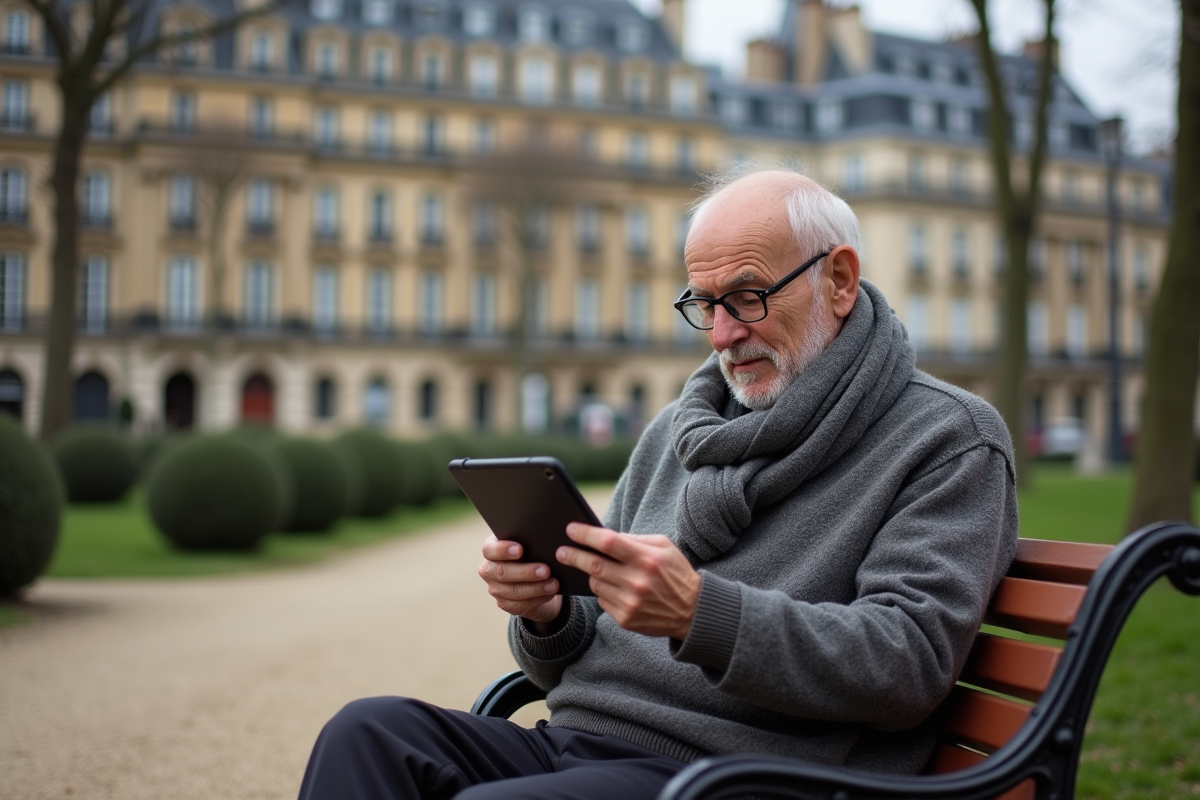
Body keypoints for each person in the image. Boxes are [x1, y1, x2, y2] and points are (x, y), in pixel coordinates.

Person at [297, 168, 1019, 800]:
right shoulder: (684, 425)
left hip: (744, 775)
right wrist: (546, 614)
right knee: (367, 733)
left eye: (746, 296)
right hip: (583, 743)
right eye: (703, 304)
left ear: (839, 279)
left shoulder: (948, 438)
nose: (721, 333)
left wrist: (700, 613)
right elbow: (578, 654)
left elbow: (906, 663)